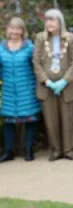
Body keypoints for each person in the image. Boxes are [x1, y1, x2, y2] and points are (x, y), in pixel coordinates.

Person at [33, 9, 73, 161]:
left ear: (60, 22)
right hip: (46, 87)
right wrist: (47, 81)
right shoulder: (40, 38)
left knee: (67, 120)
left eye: (52, 20)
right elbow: (36, 62)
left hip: (67, 86)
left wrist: (63, 81)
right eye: (47, 20)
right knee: (51, 121)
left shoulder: (71, 38)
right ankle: (55, 150)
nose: (49, 23)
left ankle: (68, 150)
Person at [0, 17, 40, 162]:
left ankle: (29, 150)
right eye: (12, 28)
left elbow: (36, 67)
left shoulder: (29, 47)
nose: (15, 31)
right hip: (9, 90)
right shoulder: (1, 47)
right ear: (7, 30)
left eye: (18, 28)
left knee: (30, 120)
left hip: (27, 89)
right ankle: (8, 151)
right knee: (9, 122)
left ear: (23, 31)